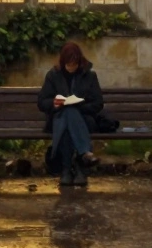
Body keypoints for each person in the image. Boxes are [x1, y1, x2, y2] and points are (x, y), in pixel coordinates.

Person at [37, 41, 104, 186]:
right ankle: (83, 158)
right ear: (63, 62)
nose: (71, 67)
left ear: (79, 61)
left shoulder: (89, 76)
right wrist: (55, 103)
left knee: (70, 115)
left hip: (85, 119)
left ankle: (66, 170)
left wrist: (80, 106)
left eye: (74, 64)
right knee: (67, 114)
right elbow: (42, 102)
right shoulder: (53, 75)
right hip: (58, 117)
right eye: (68, 64)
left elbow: (98, 103)